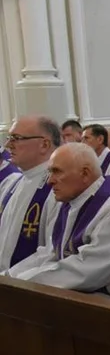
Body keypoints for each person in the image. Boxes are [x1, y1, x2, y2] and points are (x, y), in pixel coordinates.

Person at [6, 143, 110, 292]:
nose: (50, 180)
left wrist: (18, 283)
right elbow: (51, 253)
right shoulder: (71, 203)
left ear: (85, 173)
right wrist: (9, 276)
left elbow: (86, 271)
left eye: (56, 171)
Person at [0, 116, 62, 273]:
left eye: (16, 138)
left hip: (25, 285)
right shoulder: (12, 183)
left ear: (44, 144)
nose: (7, 145)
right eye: (9, 138)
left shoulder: (57, 188)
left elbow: (52, 250)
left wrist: (8, 278)